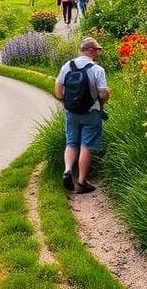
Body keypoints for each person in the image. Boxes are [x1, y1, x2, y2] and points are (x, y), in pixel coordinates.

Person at [55, 37, 110, 194]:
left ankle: (67, 170)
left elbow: (58, 90)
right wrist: (103, 100)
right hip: (91, 112)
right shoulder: (97, 70)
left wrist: (66, 102)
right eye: (97, 50)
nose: (98, 53)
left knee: (71, 142)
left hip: (71, 112)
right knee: (87, 145)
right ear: (91, 50)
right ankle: (81, 182)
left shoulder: (67, 66)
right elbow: (103, 93)